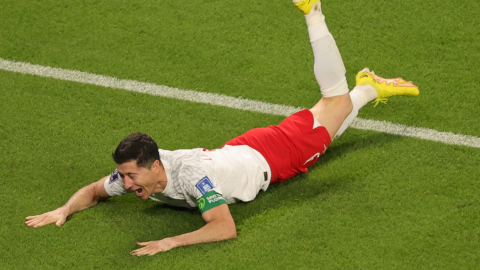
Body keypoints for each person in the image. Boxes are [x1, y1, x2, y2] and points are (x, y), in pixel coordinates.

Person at [25, 0, 419, 257]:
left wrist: (170, 242)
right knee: (330, 112)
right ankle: (367, 88)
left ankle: (315, 13)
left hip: (275, 156)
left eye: (131, 176)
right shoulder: (141, 174)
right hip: (246, 148)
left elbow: (224, 227)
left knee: (333, 98)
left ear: (155, 166)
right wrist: (64, 209)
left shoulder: (192, 177)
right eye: (125, 177)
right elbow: (94, 191)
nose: (126, 185)